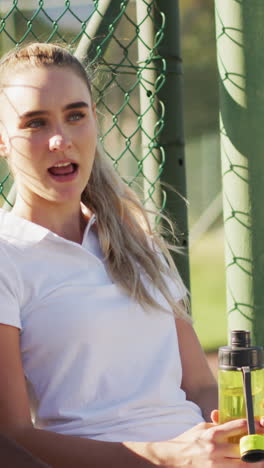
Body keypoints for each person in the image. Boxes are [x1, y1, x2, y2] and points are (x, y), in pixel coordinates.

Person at [0, 42, 263, 468]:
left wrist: (238, 435)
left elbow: (198, 387)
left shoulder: (135, 238)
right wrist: (170, 457)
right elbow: (11, 439)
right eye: (35, 123)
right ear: (3, 141)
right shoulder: (7, 254)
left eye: (75, 115)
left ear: (95, 122)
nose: (60, 139)